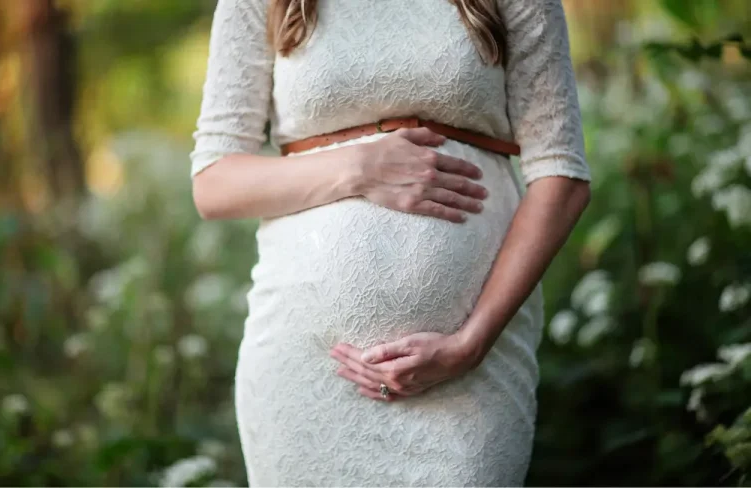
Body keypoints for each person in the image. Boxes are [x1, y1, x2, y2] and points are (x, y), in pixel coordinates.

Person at [189, 0, 591, 485]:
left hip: (472, 375)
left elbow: (562, 176)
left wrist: (471, 343)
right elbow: (214, 182)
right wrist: (359, 170)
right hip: (304, 373)